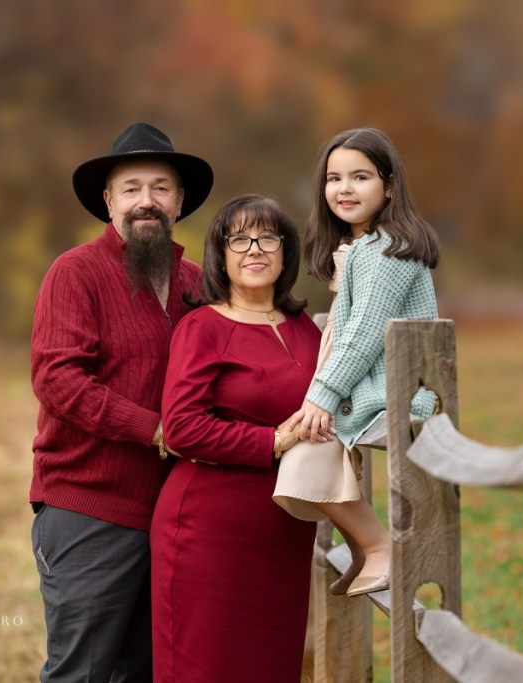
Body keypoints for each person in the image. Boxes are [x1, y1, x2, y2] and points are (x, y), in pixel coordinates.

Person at [29, 122, 213, 682]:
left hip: (173, 514)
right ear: (108, 202)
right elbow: (59, 381)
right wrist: (158, 430)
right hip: (89, 507)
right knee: (82, 673)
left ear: (179, 202)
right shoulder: (75, 273)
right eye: (131, 188)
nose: (146, 201)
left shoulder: (198, 284)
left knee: (147, 672)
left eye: (160, 187)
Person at [152, 194, 322, 683]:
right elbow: (182, 426)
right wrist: (269, 441)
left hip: (283, 532)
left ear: (285, 251)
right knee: (205, 667)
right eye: (239, 238)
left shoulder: (304, 327)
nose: (255, 249)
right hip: (208, 532)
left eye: (268, 237)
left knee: (272, 663)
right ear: (220, 255)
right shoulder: (202, 327)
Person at [273, 127, 440, 597]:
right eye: (334, 178)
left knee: (307, 446)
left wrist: (322, 397)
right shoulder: (362, 248)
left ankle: (379, 547)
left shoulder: (387, 249)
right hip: (374, 384)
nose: (343, 189)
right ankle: (368, 549)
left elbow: (362, 335)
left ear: (388, 186)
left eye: (360, 177)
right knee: (305, 447)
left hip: (399, 388)